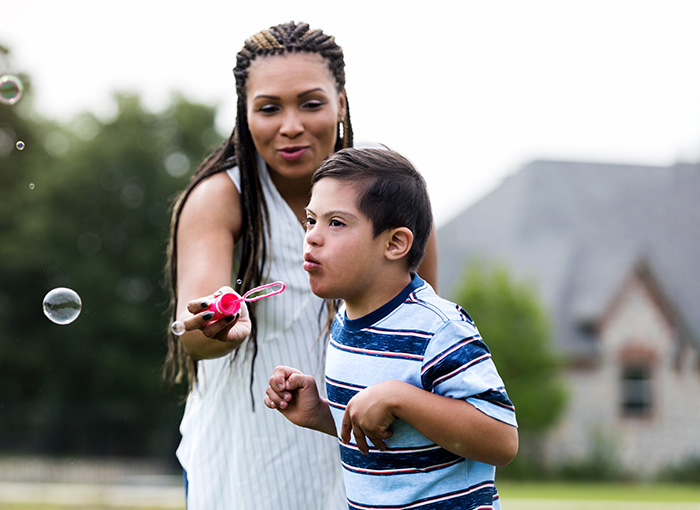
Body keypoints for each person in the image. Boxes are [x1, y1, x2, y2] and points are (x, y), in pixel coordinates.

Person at [163, 22, 439, 509]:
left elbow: (423, 340)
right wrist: (217, 326)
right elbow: (193, 333)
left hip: (363, 462)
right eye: (269, 108)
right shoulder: (221, 199)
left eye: (310, 103)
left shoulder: (396, 206)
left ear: (341, 102)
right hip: (242, 468)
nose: (290, 124)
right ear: (244, 115)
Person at [264, 148, 518, 510]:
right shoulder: (345, 321)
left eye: (336, 223)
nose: (313, 237)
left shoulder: (438, 328)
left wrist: (401, 397)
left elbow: (502, 441)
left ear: (395, 243)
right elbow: (390, 436)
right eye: (310, 220)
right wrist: (321, 412)